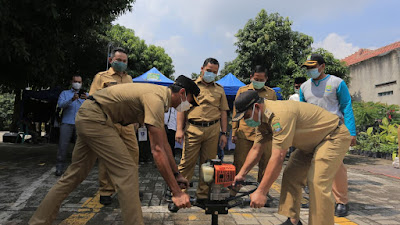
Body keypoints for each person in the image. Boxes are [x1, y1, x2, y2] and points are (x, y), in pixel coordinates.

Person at [29, 75, 199, 225]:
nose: (188, 106)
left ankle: (38, 221)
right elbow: (157, 150)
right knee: (127, 171)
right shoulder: (156, 98)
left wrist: (176, 175)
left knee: (74, 175)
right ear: (182, 92)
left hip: (89, 115)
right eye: (190, 101)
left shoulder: (159, 97)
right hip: (97, 118)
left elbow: (164, 145)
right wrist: (176, 193)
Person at [232, 90, 351, 225]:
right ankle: (293, 221)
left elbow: (278, 157)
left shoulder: (279, 116)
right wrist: (241, 175)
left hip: (332, 136)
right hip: (311, 143)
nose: (246, 120)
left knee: (317, 181)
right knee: (291, 174)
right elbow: (256, 149)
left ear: (257, 107)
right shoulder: (262, 120)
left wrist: (261, 191)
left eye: (246, 115)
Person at [299, 54, 356, 217]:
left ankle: (341, 201)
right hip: (312, 131)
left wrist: (351, 131)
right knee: (313, 165)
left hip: (334, 129)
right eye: (308, 68)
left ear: (322, 66)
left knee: (336, 165)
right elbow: (302, 112)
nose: (310, 70)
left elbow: (346, 106)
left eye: (313, 67)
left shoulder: (337, 83)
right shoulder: (304, 87)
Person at [175, 58, 229, 203]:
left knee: (208, 166)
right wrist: (179, 129)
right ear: (202, 69)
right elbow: (181, 108)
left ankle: (203, 196)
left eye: (215, 72)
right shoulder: (190, 86)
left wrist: (224, 133)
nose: (211, 74)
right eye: (209, 70)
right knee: (186, 163)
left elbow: (223, 111)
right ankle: (180, 194)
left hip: (213, 131)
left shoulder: (219, 89)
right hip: (193, 128)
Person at [89, 47, 137, 205]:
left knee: (132, 156)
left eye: (125, 61)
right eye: (119, 60)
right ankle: (106, 191)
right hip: (109, 123)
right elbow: (93, 99)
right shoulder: (101, 77)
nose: (122, 63)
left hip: (128, 125)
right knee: (108, 158)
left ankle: (130, 190)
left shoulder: (129, 79)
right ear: (111, 60)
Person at [232, 65, 277, 187]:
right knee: (239, 162)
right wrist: (234, 132)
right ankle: (235, 188)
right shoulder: (242, 91)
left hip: (265, 134)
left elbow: (274, 113)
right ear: (251, 77)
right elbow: (236, 112)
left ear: (266, 79)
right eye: (256, 79)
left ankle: (262, 190)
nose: (259, 82)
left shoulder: (271, 93)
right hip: (245, 133)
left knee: (265, 163)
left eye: (261, 80)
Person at [55, 75, 87, 176]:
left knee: (80, 147)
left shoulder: (85, 95)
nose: (77, 83)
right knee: (63, 145)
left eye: (79, 82)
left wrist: (88, 99)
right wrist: (71, 99)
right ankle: (59, 167)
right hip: (67, 122)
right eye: (75, 81)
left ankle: (78, 169)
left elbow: (93, 107)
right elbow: (60, 105)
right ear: (71, 82)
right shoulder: (65, 93)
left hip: (80, 123)